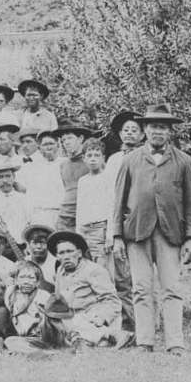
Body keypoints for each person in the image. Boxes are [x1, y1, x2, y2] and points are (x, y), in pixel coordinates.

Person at [111, 104, 191, 355]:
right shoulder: (130, 160)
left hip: (170, 232)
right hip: (136, 232)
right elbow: (118, 200)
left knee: (171, 288)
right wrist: (117, 236)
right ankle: (144, 341)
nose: (157, 131)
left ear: (170, 131)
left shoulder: (184, 161)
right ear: (145, 130)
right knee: (140, 288)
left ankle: (175, 342)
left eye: (162, 127)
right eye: (152, 126)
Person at [76, 138, 133, 329]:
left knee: (108, 276)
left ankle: (121, 321)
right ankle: (96, 320)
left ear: (104, 158)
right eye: (89, 156)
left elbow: (112, 208)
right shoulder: (83, 181)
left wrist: (110, 234)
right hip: (86, 231)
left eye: (96, 155)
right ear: (83, 159)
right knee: (91, 274)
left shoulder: (109, 179)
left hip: (102, 229)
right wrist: (78, 236)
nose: (92, 159)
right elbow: (80, 209)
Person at [43, 230, 128, 351]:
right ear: (57, 256)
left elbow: (113, 301)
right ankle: (84, 340)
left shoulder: (93, 270)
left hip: (94, 318)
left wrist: (101, 317)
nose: (66, 256)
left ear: (79, 253)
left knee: (77, 322)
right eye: (61, 253)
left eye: (70, 251)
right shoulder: (60, 272)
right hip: (72, 317)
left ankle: (112, 335)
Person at [2, 260, 53, 352]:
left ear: (37, 282)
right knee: (9, 341)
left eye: (31, 278)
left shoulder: (43, 296)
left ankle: (39, 352)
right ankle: (35, 352)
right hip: (26, 338)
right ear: (16, 280)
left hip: (43, 336)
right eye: (22, 277)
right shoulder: (11, 294)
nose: (26, 281)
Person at [18, 130, 66, 225]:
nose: (48, 147)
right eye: (45, 144)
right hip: (39, 215)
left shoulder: (65, 163)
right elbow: (29, 194)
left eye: (51, 143)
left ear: (58, 145)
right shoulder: (32, 167)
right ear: (39, 148)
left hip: (61, 214)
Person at [55, 119, 95, 232]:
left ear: (81, 139)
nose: (66, 142)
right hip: (65, 217)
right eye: (63, 140)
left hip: (85, 216)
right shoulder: (63, 165)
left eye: (70, 138)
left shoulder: (91, 162)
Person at [103, 110, 144, 183]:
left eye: (134, 131)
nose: (129, 133)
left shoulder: (145, 157)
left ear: (142, 135)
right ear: (120, 134)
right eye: (126, 130)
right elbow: (107, 183)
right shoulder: (114, 159)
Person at [22, 223, 57, 289]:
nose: (39, 246)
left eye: (42, 242)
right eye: (35, 243)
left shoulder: (56, 263)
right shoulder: (24, 261)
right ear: (29, 244)